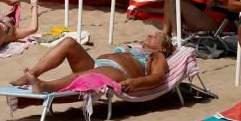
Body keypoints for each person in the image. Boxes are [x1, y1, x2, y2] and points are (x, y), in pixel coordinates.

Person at [10, 32, 174, 93]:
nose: (150, 35)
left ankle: (46, 87)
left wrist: (135, 82)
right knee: (69, 42)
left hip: (118, 73)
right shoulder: (134, 47)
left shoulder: (157, 56)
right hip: (100, 65)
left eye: (155, 36)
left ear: (163, 48)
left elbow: (158, 77)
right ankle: (32, 74)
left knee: (80, 76)